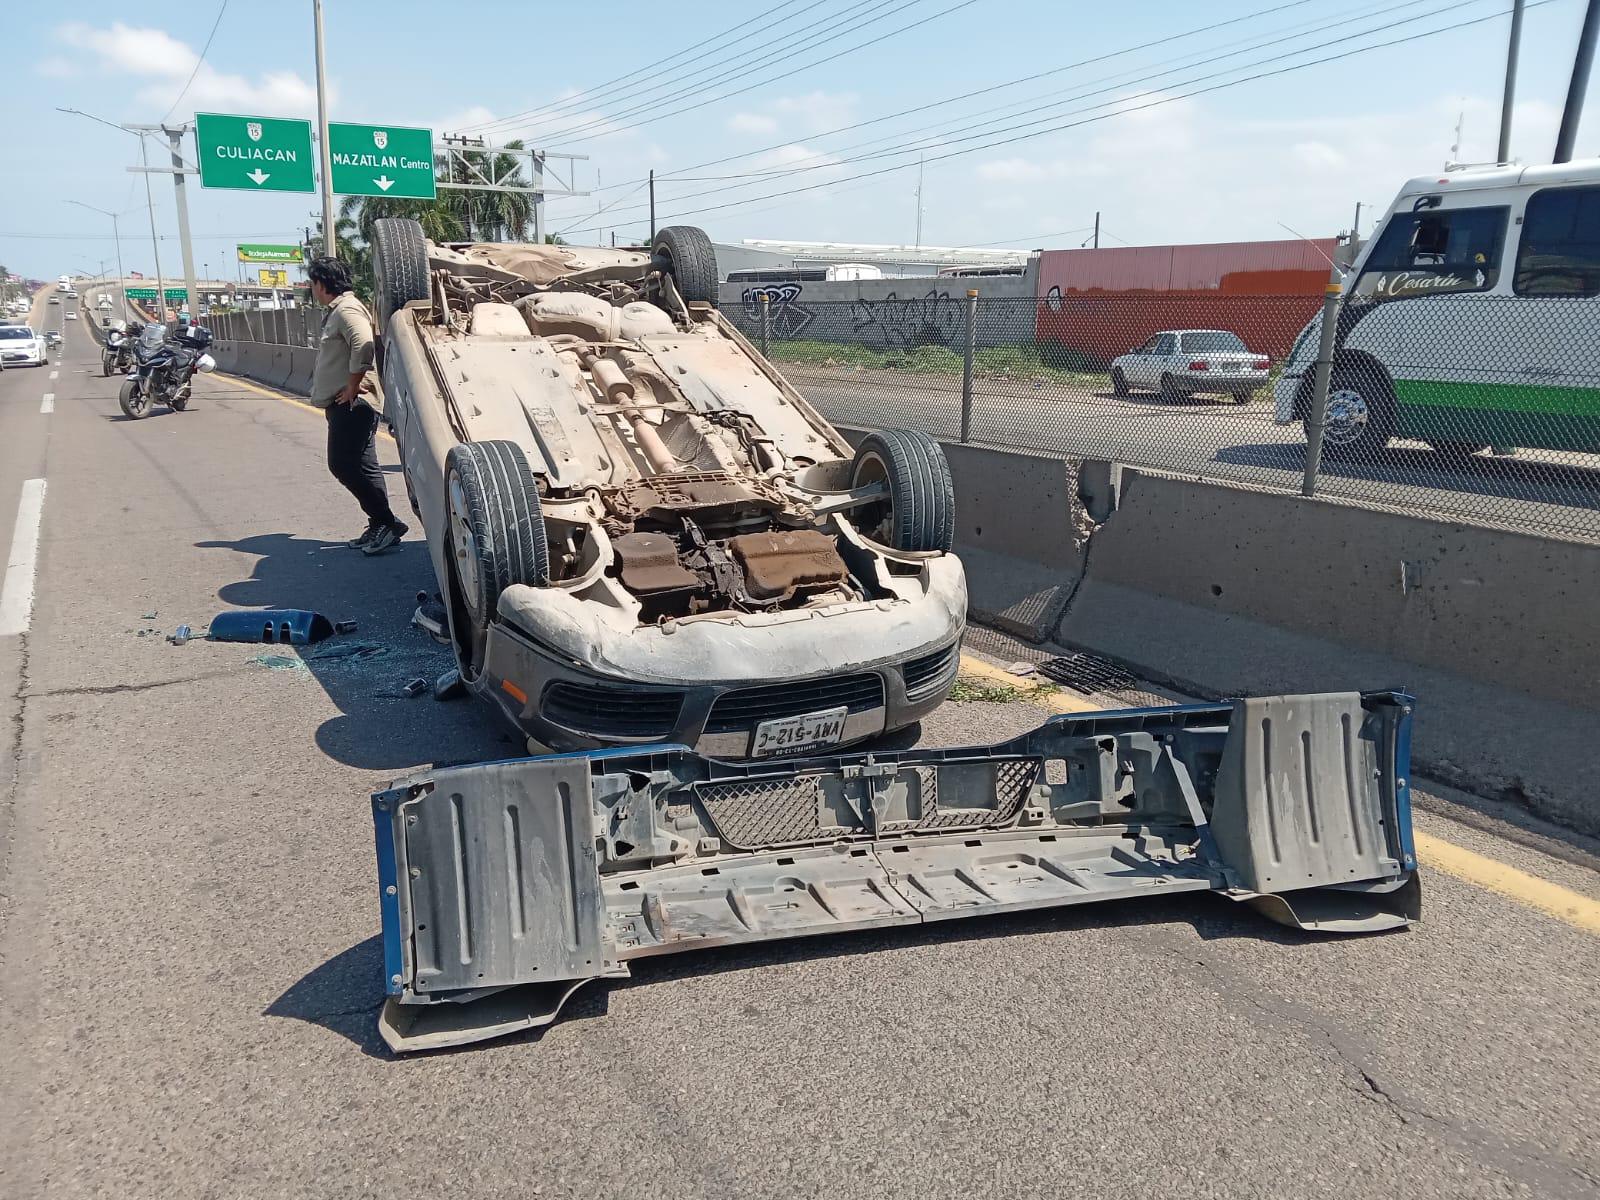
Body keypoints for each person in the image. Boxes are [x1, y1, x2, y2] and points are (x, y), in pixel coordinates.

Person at [306, 256, 406, 554]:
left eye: (312, 283)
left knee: (342, 464)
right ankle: (380, 524)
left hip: (352, 403)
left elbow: (362, 343)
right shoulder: (339, 310)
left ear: (322, 284)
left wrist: (352, 385)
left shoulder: (347, 309)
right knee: (364, 465)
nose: (311, 289)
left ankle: (386, 522)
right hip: (348, 403)